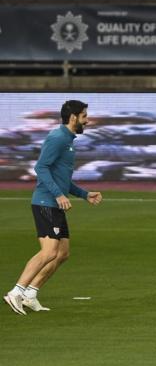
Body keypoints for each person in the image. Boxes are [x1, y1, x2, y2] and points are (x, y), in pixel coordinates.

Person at [3, 100, 103, 315]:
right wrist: (58, 195)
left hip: (53, 203)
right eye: (84, 115)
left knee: (62, 254)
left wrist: (85, 195)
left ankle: (30, 294)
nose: (87, 119)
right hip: (45, 203)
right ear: (74, 117)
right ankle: (15, 292)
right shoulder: (57, 138)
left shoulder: (67, 140)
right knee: (49, 252)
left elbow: (62, 179)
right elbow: (40, 167)